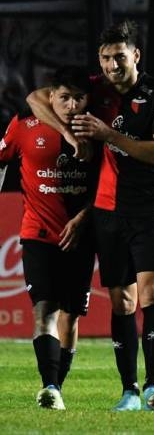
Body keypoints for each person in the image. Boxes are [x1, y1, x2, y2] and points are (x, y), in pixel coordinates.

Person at [26, 21, 154, 412]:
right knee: (122, 301)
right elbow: (36, 98)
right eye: (107, 57)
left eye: (120, 56)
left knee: (152, 292)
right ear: (100, 59)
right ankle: (129, 390)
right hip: (108, 211)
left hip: (150, 209)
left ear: (136, 56)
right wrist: (72, 133)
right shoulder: (96, 89)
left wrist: (107, 134)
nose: (113, 65)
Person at [0, 66, 97, 410]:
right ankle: (50, 386)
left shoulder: (96, 132)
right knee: (44, 310)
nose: (71, 105)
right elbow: (1, 157)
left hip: (81, 239)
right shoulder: (25, 126)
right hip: (37, 234)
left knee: (71, 318)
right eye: (64, 97)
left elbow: (108, 185)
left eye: (78, 98)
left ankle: (59, 383)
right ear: (51, 96)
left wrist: (84, 218)